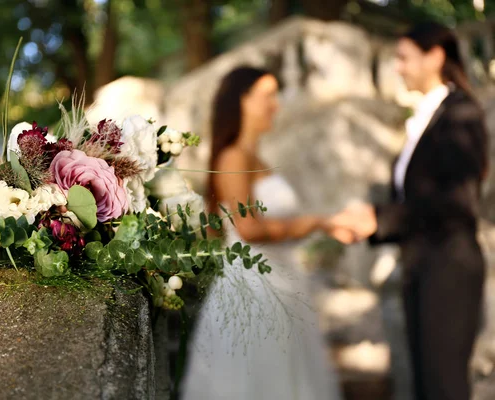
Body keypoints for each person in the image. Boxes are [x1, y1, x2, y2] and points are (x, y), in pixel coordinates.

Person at [337, 22, 489, 400]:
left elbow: (459, 201)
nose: (398, 68)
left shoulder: (461, 113)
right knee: (424, 385)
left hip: (449, 269)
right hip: (421, 265)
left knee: (444, 387)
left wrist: (381, 218)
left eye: (404, 58)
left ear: (435, 56)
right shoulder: (425, 117)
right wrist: (375, 220)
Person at [180, 66, 347, 400]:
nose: (277, 104)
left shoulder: (257, 158)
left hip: (283, 285)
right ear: (241, 100)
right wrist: (317, 222)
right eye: (268, 95)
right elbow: (249, 228)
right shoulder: (232, 158)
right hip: (254, 292)